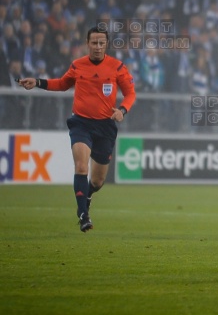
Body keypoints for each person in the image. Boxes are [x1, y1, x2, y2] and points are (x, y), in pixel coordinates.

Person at [18, 26, 136, 232]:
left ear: (106, 44)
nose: (98, 47)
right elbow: (62, 84)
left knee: (98, 181)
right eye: (94, 43)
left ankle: (88, 194)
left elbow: (131, 94)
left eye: (101, 43)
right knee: (81, 167)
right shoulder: (78, 65)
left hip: (105, 125)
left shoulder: (117, 67)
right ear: (87, 43)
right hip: (81, 123)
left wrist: (123, 111)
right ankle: (83, 215)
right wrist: (37, 82)